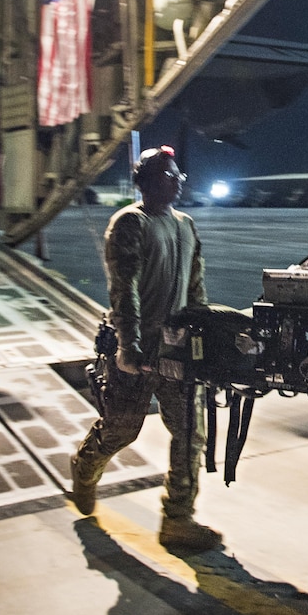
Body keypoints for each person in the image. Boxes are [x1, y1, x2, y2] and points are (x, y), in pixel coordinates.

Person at [68, 147, 223, 552]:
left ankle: (178, 519)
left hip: (178, 352)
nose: (177, 181)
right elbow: (125, 289)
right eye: (169, 175)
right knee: (121, 430)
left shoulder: (186, 226)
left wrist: (203, 340)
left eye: (179, 176)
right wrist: (128, 346)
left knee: (190, 434)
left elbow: (196, 289)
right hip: (137, 350)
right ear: (147, 181)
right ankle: (84, 469)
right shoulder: (129, 223)